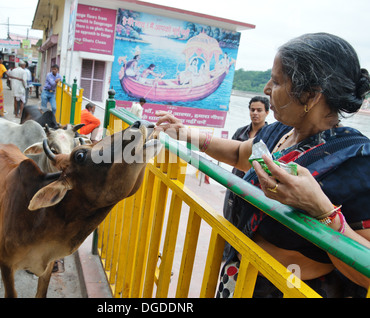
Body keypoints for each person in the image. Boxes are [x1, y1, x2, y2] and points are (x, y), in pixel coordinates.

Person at [155, 33, 370, 298]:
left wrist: (322, 211)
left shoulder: (356, 160)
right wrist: (186, 134)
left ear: (311, 95)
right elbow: (239, 154)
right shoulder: (279, 132)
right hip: (242, 278)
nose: (267, 89)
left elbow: (366, 269)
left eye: (277, 81)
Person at [223, 96, 269, 227]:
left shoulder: (268, 135)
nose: (255, 113)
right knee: (229, 218)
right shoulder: (240, 132)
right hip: (235, 181)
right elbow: (230, 153)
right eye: (252, 110)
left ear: (267, 112)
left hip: (256, 187)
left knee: (246, 223)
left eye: (259, 110)